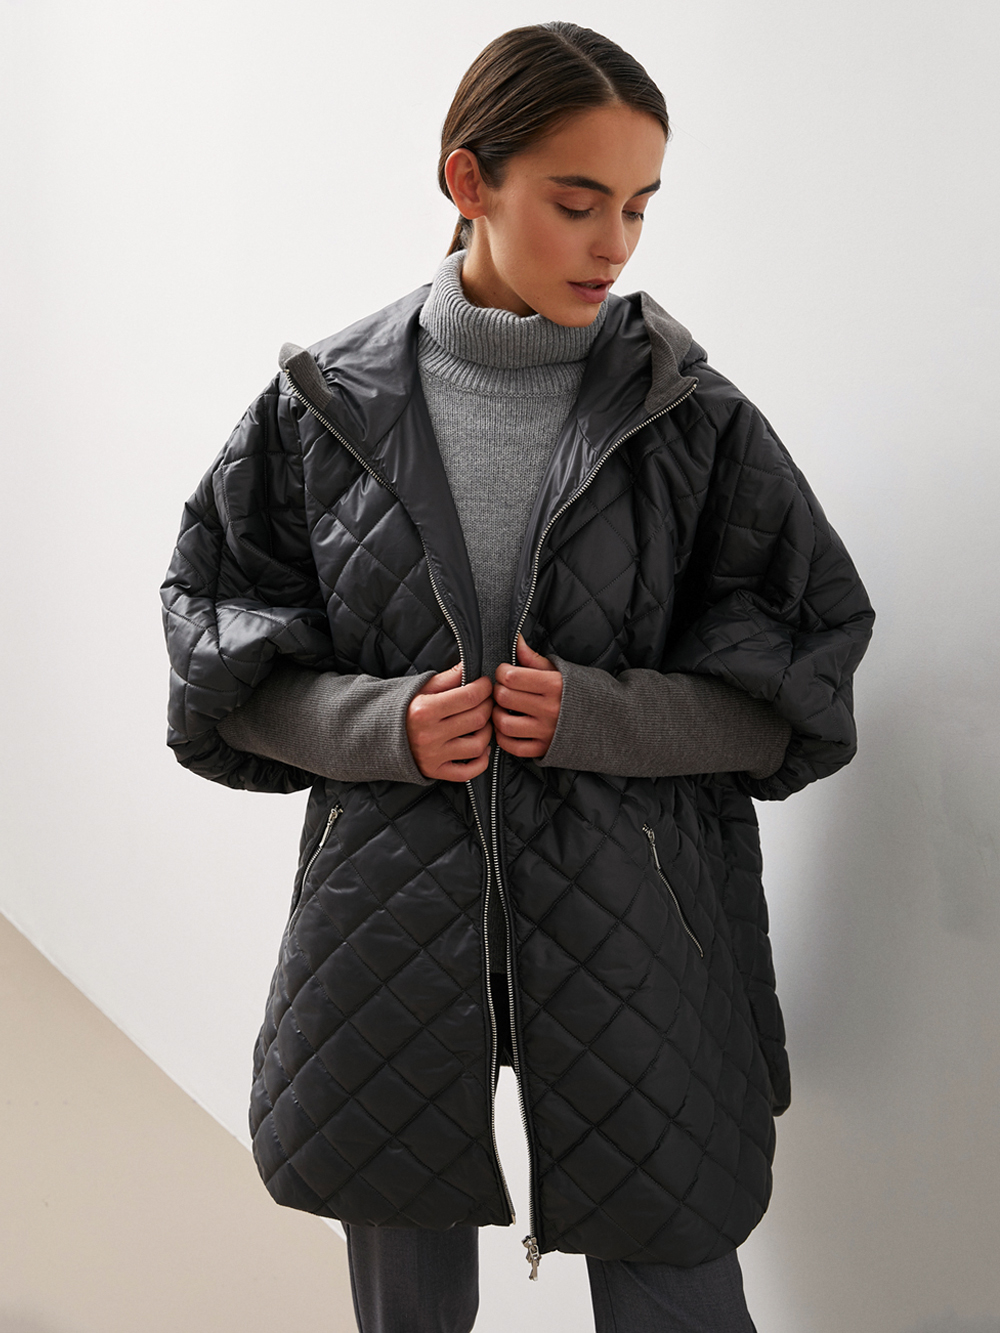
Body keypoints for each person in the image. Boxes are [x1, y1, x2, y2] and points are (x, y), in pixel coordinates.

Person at [161, 21, 874, 1333]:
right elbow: (215, 659)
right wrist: (383, 726)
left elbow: (803, 681)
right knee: (405, 1286)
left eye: (639, 207)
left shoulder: (693, 421)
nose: (615, 245)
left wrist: (600, 716)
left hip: (640, 919)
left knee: (674, 1264)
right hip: (387, 919)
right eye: (578, 201)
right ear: (468, 181)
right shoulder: (320, 409)